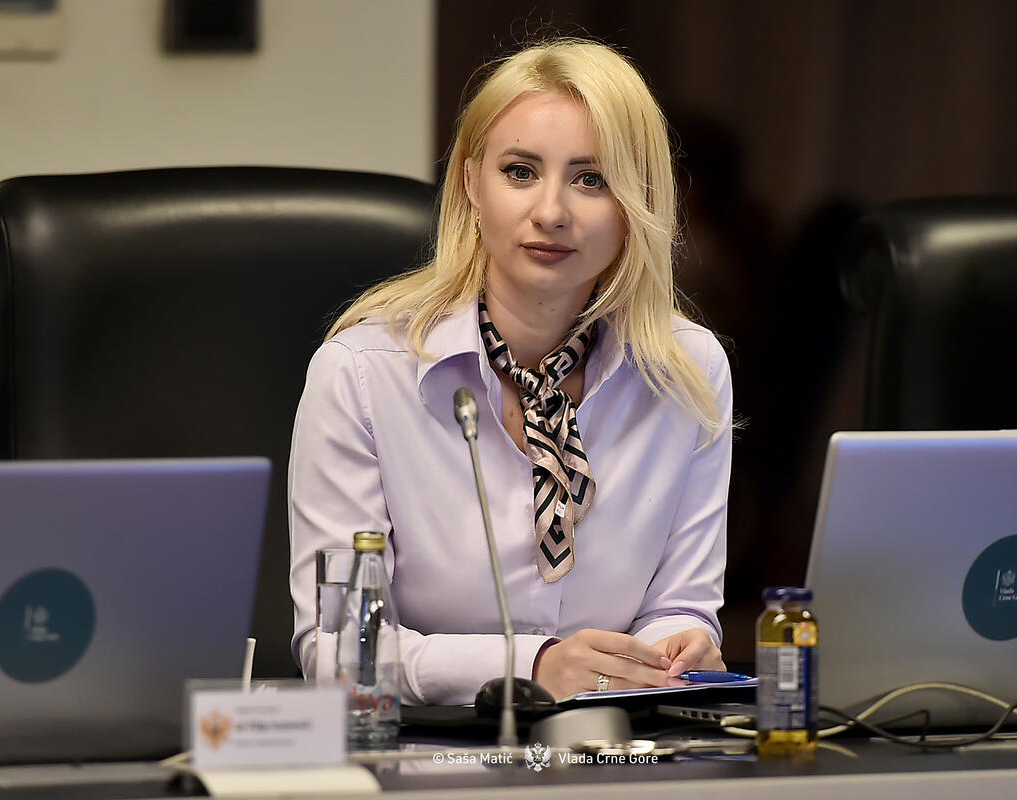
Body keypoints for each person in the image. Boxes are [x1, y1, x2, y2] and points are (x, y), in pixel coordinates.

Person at [288, 38, 733, 706]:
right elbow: (338, 651)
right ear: (472, 185)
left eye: (591, 179)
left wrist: (681, 641)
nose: (551, 212)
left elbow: (680, 605)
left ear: (637, 201)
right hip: (427, 751)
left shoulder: (687, 372)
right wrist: (531, 667)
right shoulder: (359, 376)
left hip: (614, 746)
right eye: (520, 172)